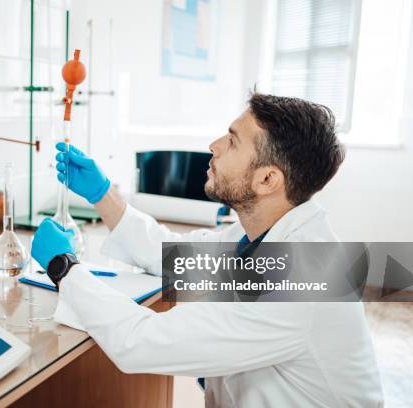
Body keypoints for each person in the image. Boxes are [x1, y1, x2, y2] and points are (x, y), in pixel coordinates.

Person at [31, 93, 383, 407]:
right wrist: (102, 193)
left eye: (232, 141)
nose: (214, 145)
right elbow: (169, 255)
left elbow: (140, 343)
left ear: (267, 180)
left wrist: (64, 267)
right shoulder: (258, 235)